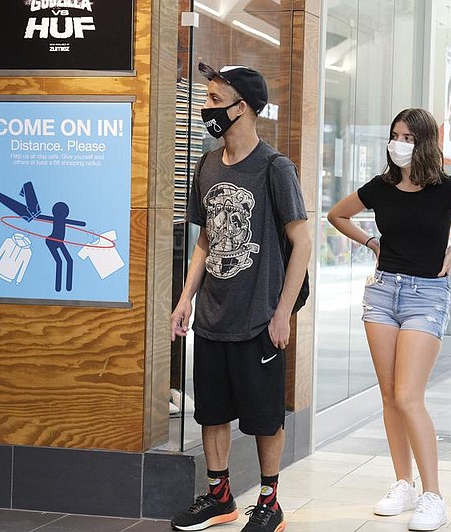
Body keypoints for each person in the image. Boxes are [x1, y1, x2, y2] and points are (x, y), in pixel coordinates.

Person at [327, 108, 451, 531]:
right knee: (388, 395)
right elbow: (336, 215)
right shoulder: (382, 187)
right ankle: (403, 482)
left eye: (407, 136)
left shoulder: (444, 188)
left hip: (427, 295)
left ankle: (433, 496)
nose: (398, 143)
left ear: (424, 143)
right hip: (383, 292)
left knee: (408, 396)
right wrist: (371, 242)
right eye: (394, 135)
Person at [169, 61, 311, 532]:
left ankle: (270, 502)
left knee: (264, 417)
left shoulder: (275, 167)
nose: (204, 108)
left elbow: (303, 242)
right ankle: (219, 496)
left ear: (242, 107)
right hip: (212, 315)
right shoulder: (206, 164)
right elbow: (206, 240)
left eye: (213, 99)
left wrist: (283, 313)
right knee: (211, 411)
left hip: (259, 317)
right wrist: (185, 297)